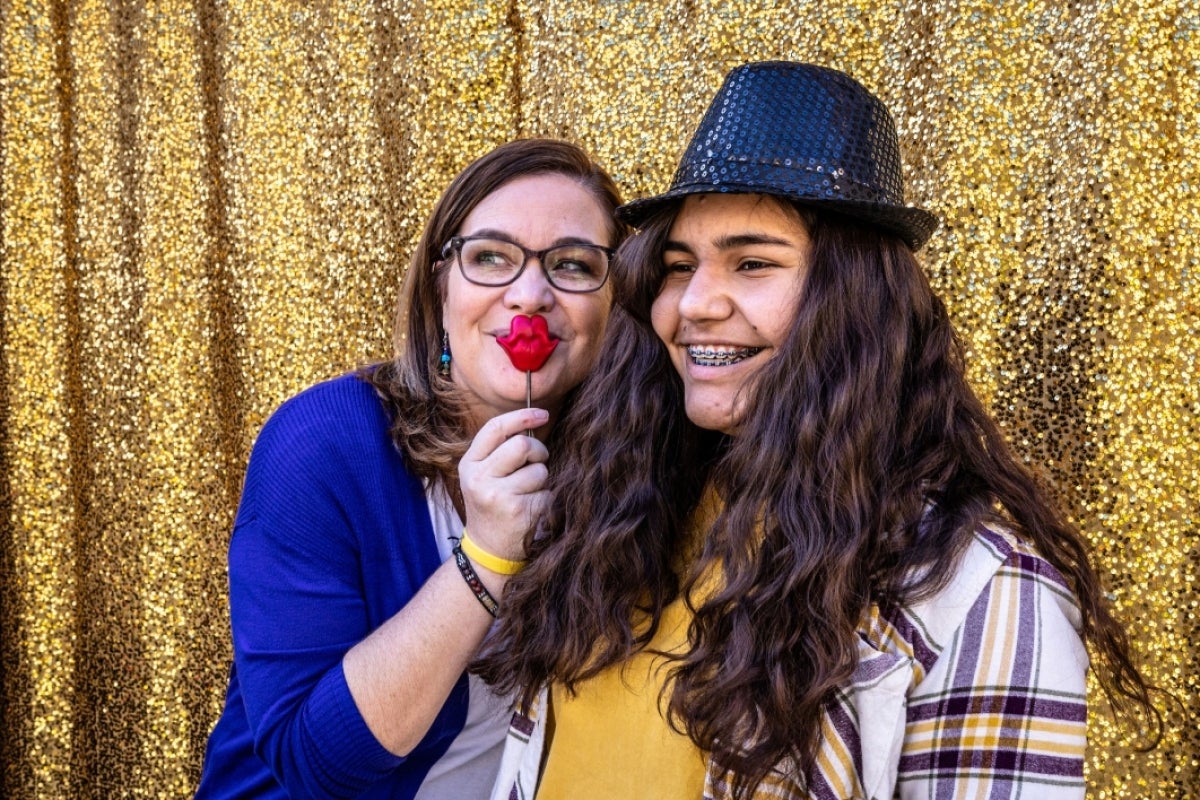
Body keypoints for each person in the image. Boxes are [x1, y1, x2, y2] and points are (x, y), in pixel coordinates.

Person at [478, 63, 1158, 799]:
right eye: (680, 265)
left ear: (855, 302)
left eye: (753, 263)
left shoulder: (977, 593)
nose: (696, 302)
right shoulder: (621, 520)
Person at [195, 138, 627, 799]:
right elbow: (314, 767)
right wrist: (486, 554)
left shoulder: (627, 457)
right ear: (440, 285)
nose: (530, 295)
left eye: (572, 265)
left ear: (616, 300)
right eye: (491, 258)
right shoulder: (321, 444)